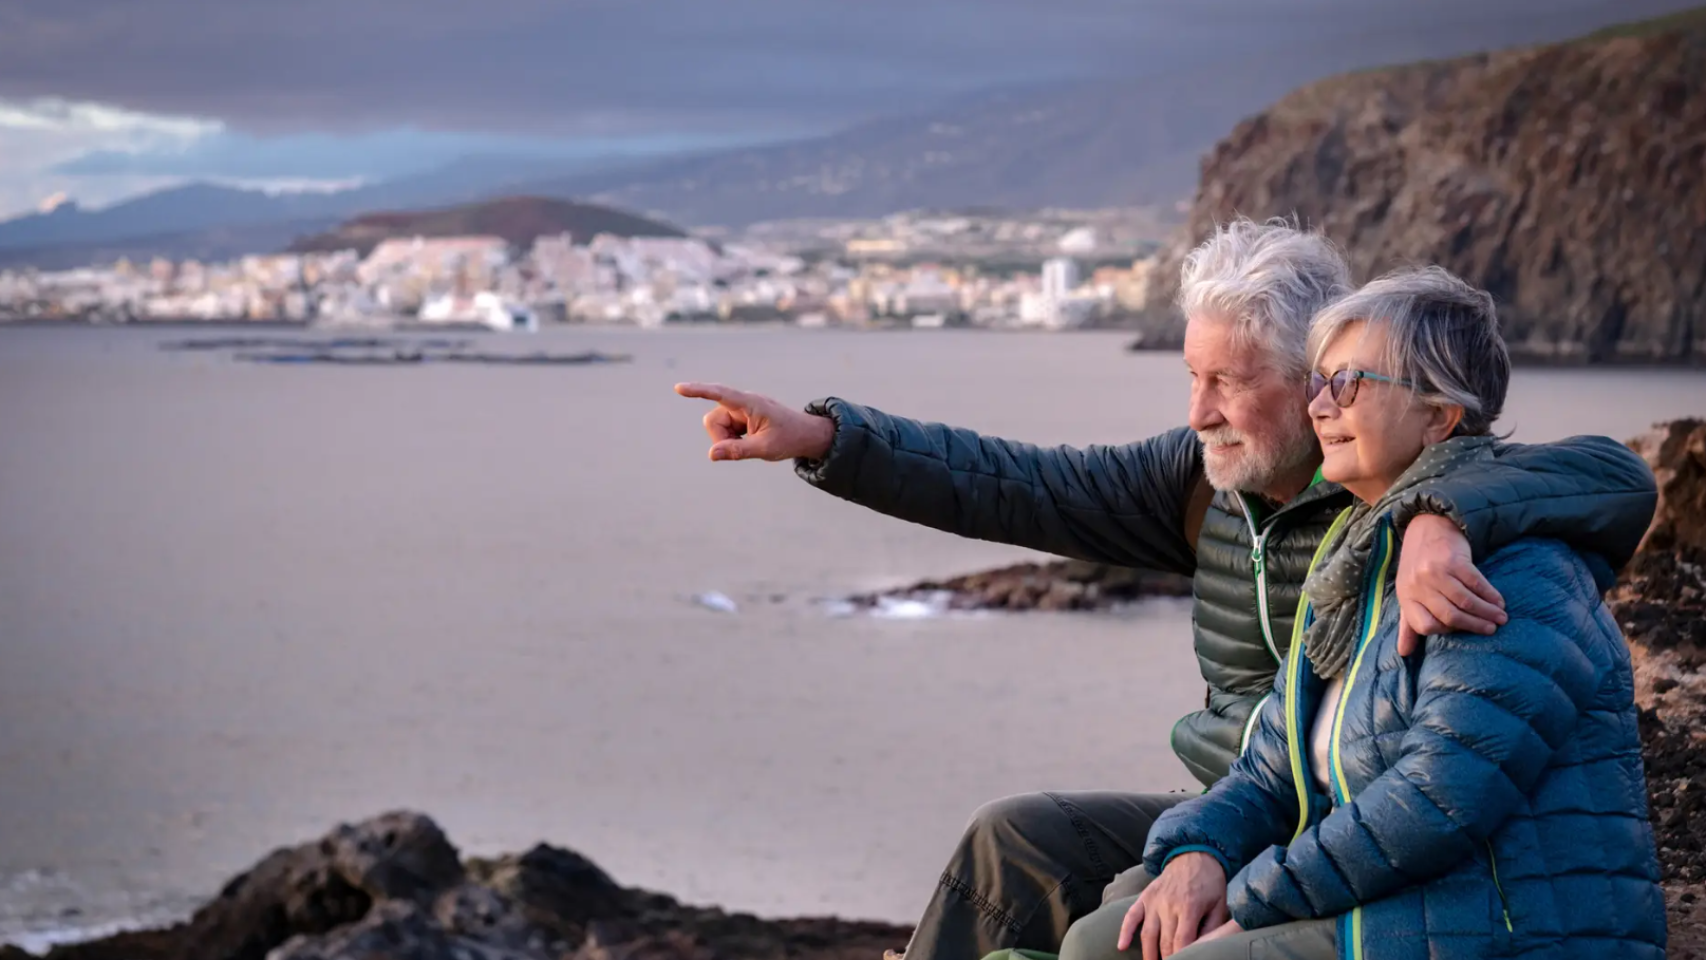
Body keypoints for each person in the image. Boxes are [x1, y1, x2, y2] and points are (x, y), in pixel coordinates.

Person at [673, 219, 1658, 960]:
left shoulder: (1421, 519)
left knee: (1114, 938)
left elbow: (1604, 477)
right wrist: (824, 440)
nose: (1197, 412)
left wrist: (1440, 514)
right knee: (1013, 839)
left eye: (1229, 382)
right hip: (1253, 798)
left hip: (1354, 834)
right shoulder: (1207, 483)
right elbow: (1017, 482)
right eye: (1191, 377)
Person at [1060, 267, 1665, 960]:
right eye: (1318, 383)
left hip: (1502, 926)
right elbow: (1272, 770)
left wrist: (1252, 896)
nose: (1319, 406)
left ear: (1440, 413)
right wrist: (1199, 849)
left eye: (1347, 384)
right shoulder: (1357, 557)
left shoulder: (1509, 576)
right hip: (1401, 900)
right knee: (1099, 942)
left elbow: (1435, 802)